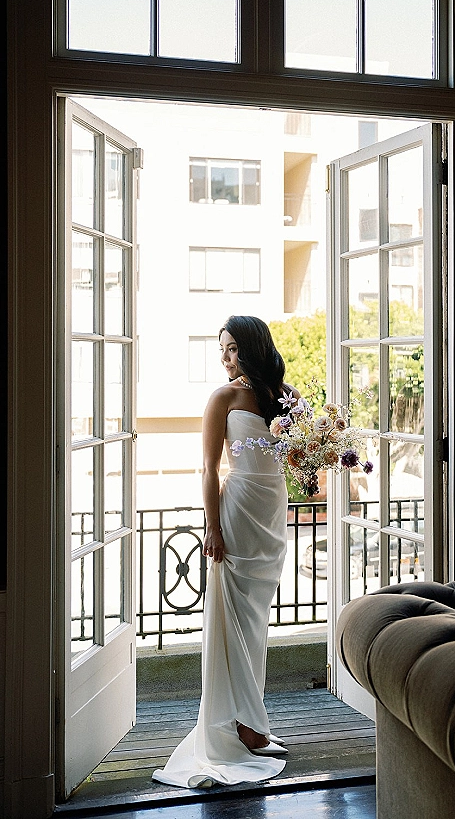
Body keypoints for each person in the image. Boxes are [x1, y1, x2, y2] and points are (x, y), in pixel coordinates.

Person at [152, 315, 301, 789]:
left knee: (257, 623)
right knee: (234, 620)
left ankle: (251, 722)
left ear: (254, 348)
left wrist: (316, 455)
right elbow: (208, 469)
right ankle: (243, 728)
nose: (225, 356)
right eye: (222, 348)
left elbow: (295, 457)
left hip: (271, 515)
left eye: (233, 348)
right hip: (237, 515)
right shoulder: (223, 399)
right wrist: (212, 527)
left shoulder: (286, 396)